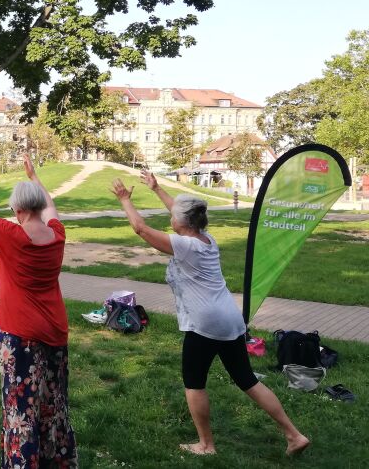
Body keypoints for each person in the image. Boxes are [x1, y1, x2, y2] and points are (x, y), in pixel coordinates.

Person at [111, 171, 310, 456]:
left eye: (174, 216)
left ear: (181, 222)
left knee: (194, 382)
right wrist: (157, 189)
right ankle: (294, 435)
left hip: (204, 323)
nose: (171, 217)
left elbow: (141, 228)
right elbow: (180, 213)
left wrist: (124, 200)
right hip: (230, 319)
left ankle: (206, 445)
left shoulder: (185, 245)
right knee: (247, 380)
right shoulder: (207, 239)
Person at [0, 154, 77, 468]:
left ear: (17, 210)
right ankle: (56, 461)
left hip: (18, 336)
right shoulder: (57, 235)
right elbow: (52, 207)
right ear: (39, 207)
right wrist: (34, 177)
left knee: (20, 410)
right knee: (53, 405)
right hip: (54, 331)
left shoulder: (12, 236)